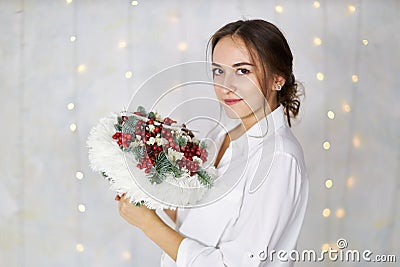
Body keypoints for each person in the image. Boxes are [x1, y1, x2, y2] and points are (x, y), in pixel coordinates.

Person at [115, 19, 309, 266]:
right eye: (219, 71)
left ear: (277, 79)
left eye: (243, 71)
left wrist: (147, 224)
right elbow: (202, 225)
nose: (226, 87)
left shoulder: (278, 158)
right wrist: (152, 188)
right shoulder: (222, 138)